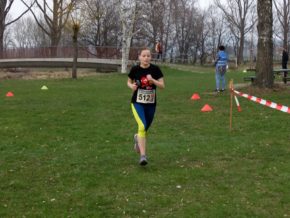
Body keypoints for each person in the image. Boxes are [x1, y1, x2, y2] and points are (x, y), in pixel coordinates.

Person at [127, 47, 165, 166]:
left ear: (151, 57)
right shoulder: (135, 69)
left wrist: (152, 80)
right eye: (144, 56)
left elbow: (162, 86)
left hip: (151, 104)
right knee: (142, 126)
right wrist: (131, 86)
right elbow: (128, 81)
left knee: (144, 129)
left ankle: (137, 138)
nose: (146, 58)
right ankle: (143, 156)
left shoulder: (155, 69)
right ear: (139, 57)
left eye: (148, 56)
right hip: (137, 103)